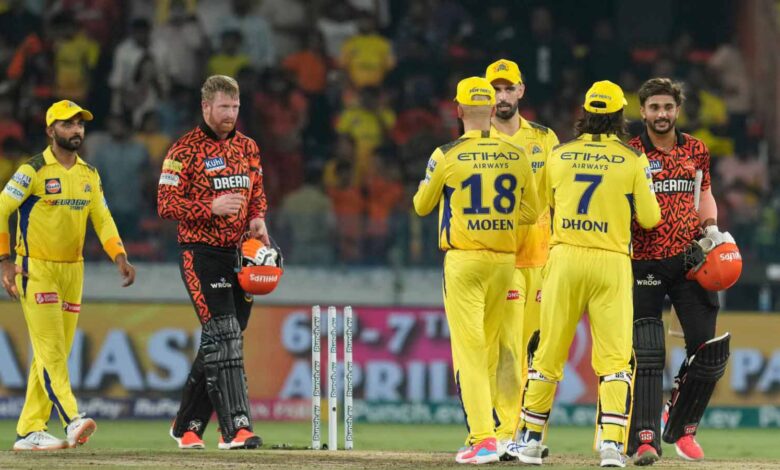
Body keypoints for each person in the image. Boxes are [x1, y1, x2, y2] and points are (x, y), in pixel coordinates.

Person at [511, 81, 660, 468]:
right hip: (610, 261)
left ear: (586, 114)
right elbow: (650, 218)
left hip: (564, 259)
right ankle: (611, 445)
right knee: (614, 360)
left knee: (547, 353)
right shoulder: (632, 159)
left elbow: (540, 206)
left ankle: (530, 440)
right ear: (620, 115)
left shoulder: (559, 154)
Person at [413, 76, 540, 465]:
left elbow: (421, 205)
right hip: (504, 262)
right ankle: (500, 434)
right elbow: (531, 212)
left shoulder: (446, 154)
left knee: (469, 352)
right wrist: (498, 223)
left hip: (465, 260)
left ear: (458, 110)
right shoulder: (516, 154)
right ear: (490, 109)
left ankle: (483, 438)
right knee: (493, 349)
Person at [0, 100, 136, 450]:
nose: (76, 129)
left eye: (80, 124)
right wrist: (4, 260)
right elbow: (1, 209)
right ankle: (72, 419)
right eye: (67, 124)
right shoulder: (32, 170)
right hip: (35, 268)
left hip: (73, 271)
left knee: (52, 353)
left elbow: (102, 218)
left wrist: (119, 255)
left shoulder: (89, 174)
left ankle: (29, 430)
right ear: (50, 130)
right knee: (52, 350)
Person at [158, 75, 267, 450]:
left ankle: (187, 425)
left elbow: (257, 191)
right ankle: (236, 429)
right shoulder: (183, 150)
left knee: (224, 338)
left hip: (239, 254)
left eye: (235, 107)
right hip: (200, 253)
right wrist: (210, 206)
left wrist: (258, 219)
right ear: (206, 107)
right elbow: (165, 204)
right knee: (224, 334)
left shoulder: (248, 147)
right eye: (224, 107)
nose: (230, 114)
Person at [627, 78, 728, 465]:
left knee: (707, 351)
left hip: (691, 259)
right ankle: (645, 439)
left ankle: (683, 426)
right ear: (643, 111)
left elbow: (704, 193)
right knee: (647, 353)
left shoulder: (696, 149)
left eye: (668, 107)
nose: (662, 114)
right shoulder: (631, 152)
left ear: (677, 110)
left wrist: (711, 227)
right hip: (644, 260)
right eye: (654, 107)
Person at [484, 58, 559, 460]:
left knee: (540, 354)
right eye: (495, 89)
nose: (501, 96)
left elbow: (560, 195)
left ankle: (529, 434)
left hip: (543, 259)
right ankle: (503, 433)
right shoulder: (478, 140)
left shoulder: (544, 138)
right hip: (502, 260)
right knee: (509, 351)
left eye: (507, 88)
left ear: (520, 91)